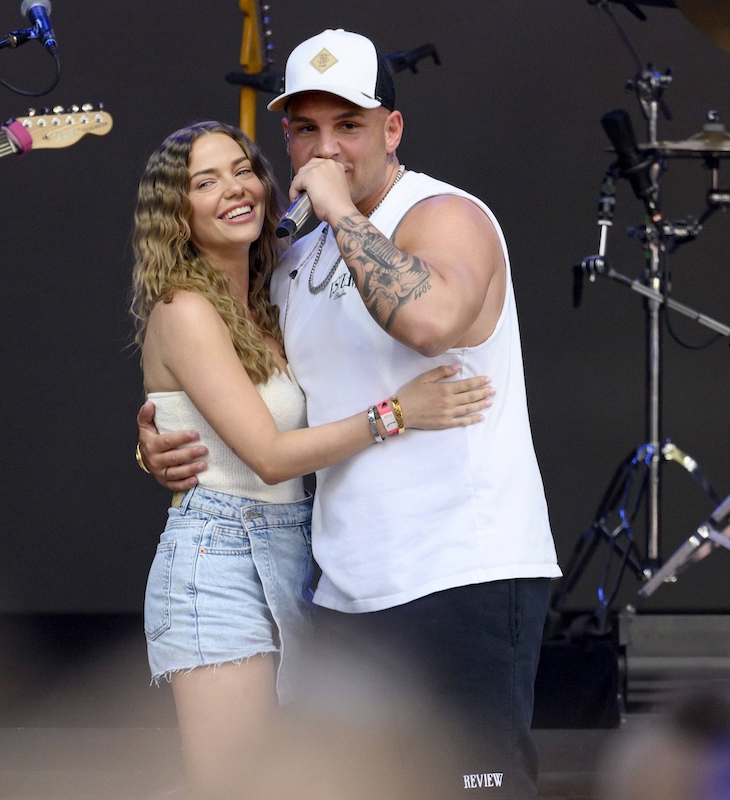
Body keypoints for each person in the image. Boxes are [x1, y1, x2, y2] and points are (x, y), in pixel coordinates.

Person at [138, 28, 559, 798]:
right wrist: (160, 437)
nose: (326, 149)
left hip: (458, 569)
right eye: (306, 130)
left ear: (391, 130)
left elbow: (428, 320)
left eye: (349, 126)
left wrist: (340, 212)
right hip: (339, 590)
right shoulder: (297, 257)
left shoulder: (443, 214)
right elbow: (252, 396)